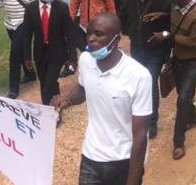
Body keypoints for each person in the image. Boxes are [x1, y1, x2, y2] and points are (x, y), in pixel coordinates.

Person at [52, 13, 151, 185]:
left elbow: (140, 135)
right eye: (89, 33)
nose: (91, 38)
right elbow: (83, 88)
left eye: (99, 34)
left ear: (116, 39)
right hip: (91, 156)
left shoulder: (139, 76)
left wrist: (133, 179)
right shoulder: (85, 60)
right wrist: (66, 101)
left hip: (123, 160)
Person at [153, 0, 196, 159]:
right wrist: (162, 16)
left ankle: (178, 142)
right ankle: (193, 117)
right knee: (183, 94)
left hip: (193, 61)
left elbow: (193, 42)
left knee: (183, 98)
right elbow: (175, 21)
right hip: (177, 58)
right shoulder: (175, 7)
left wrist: (167, 36)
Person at [120, 0, 171, 138]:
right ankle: (136, 118)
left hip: (155, 50)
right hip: (137, 49)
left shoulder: (163, 0)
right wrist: (131, 32)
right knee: (136, 85)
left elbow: (172, 26)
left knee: (150, 84)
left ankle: (151, 122)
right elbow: (123, 18)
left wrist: (163, 37)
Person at [19, 0, 78, 107]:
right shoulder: (31, 9)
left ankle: (51, 110)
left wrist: (72, 58)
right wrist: (27, 57)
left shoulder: (61, 7)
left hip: (57, 52)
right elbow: (27, 35)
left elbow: (70, 34)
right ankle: (51, 108)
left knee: (49, 83)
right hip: (40, 53)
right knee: (44, 81)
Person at [57, 0, 85, 77]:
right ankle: (72, 63)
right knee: (70, 40)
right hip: (64, 13)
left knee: (75, 39)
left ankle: (73, 63)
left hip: (77, 12)